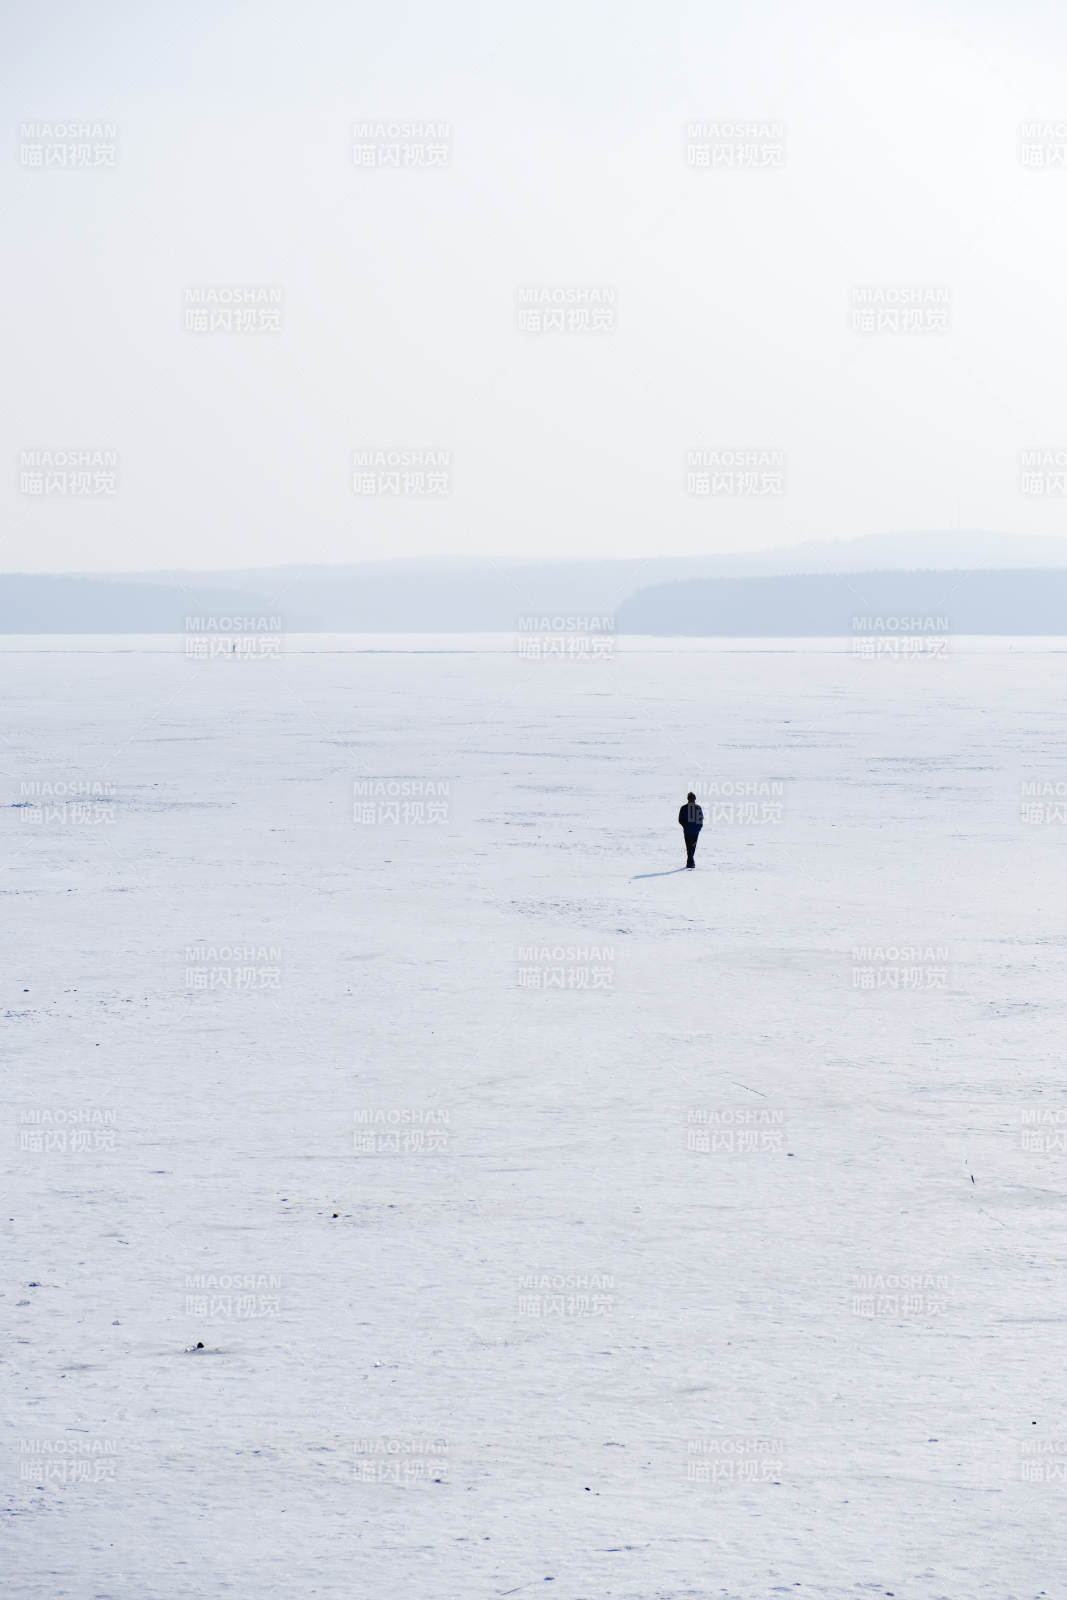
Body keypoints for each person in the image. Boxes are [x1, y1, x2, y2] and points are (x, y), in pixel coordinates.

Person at [678, 791, 703, 869]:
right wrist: (698, 828)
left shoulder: (684, 808)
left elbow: (680, 820)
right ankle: (691, 863)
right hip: (695, 831)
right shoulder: (698, 807)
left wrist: (685, 826)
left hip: (688, 831)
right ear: (695, 798)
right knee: (692, 847)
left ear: (687, 798)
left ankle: (690, 863)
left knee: (689, 846)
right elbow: (701, 819)